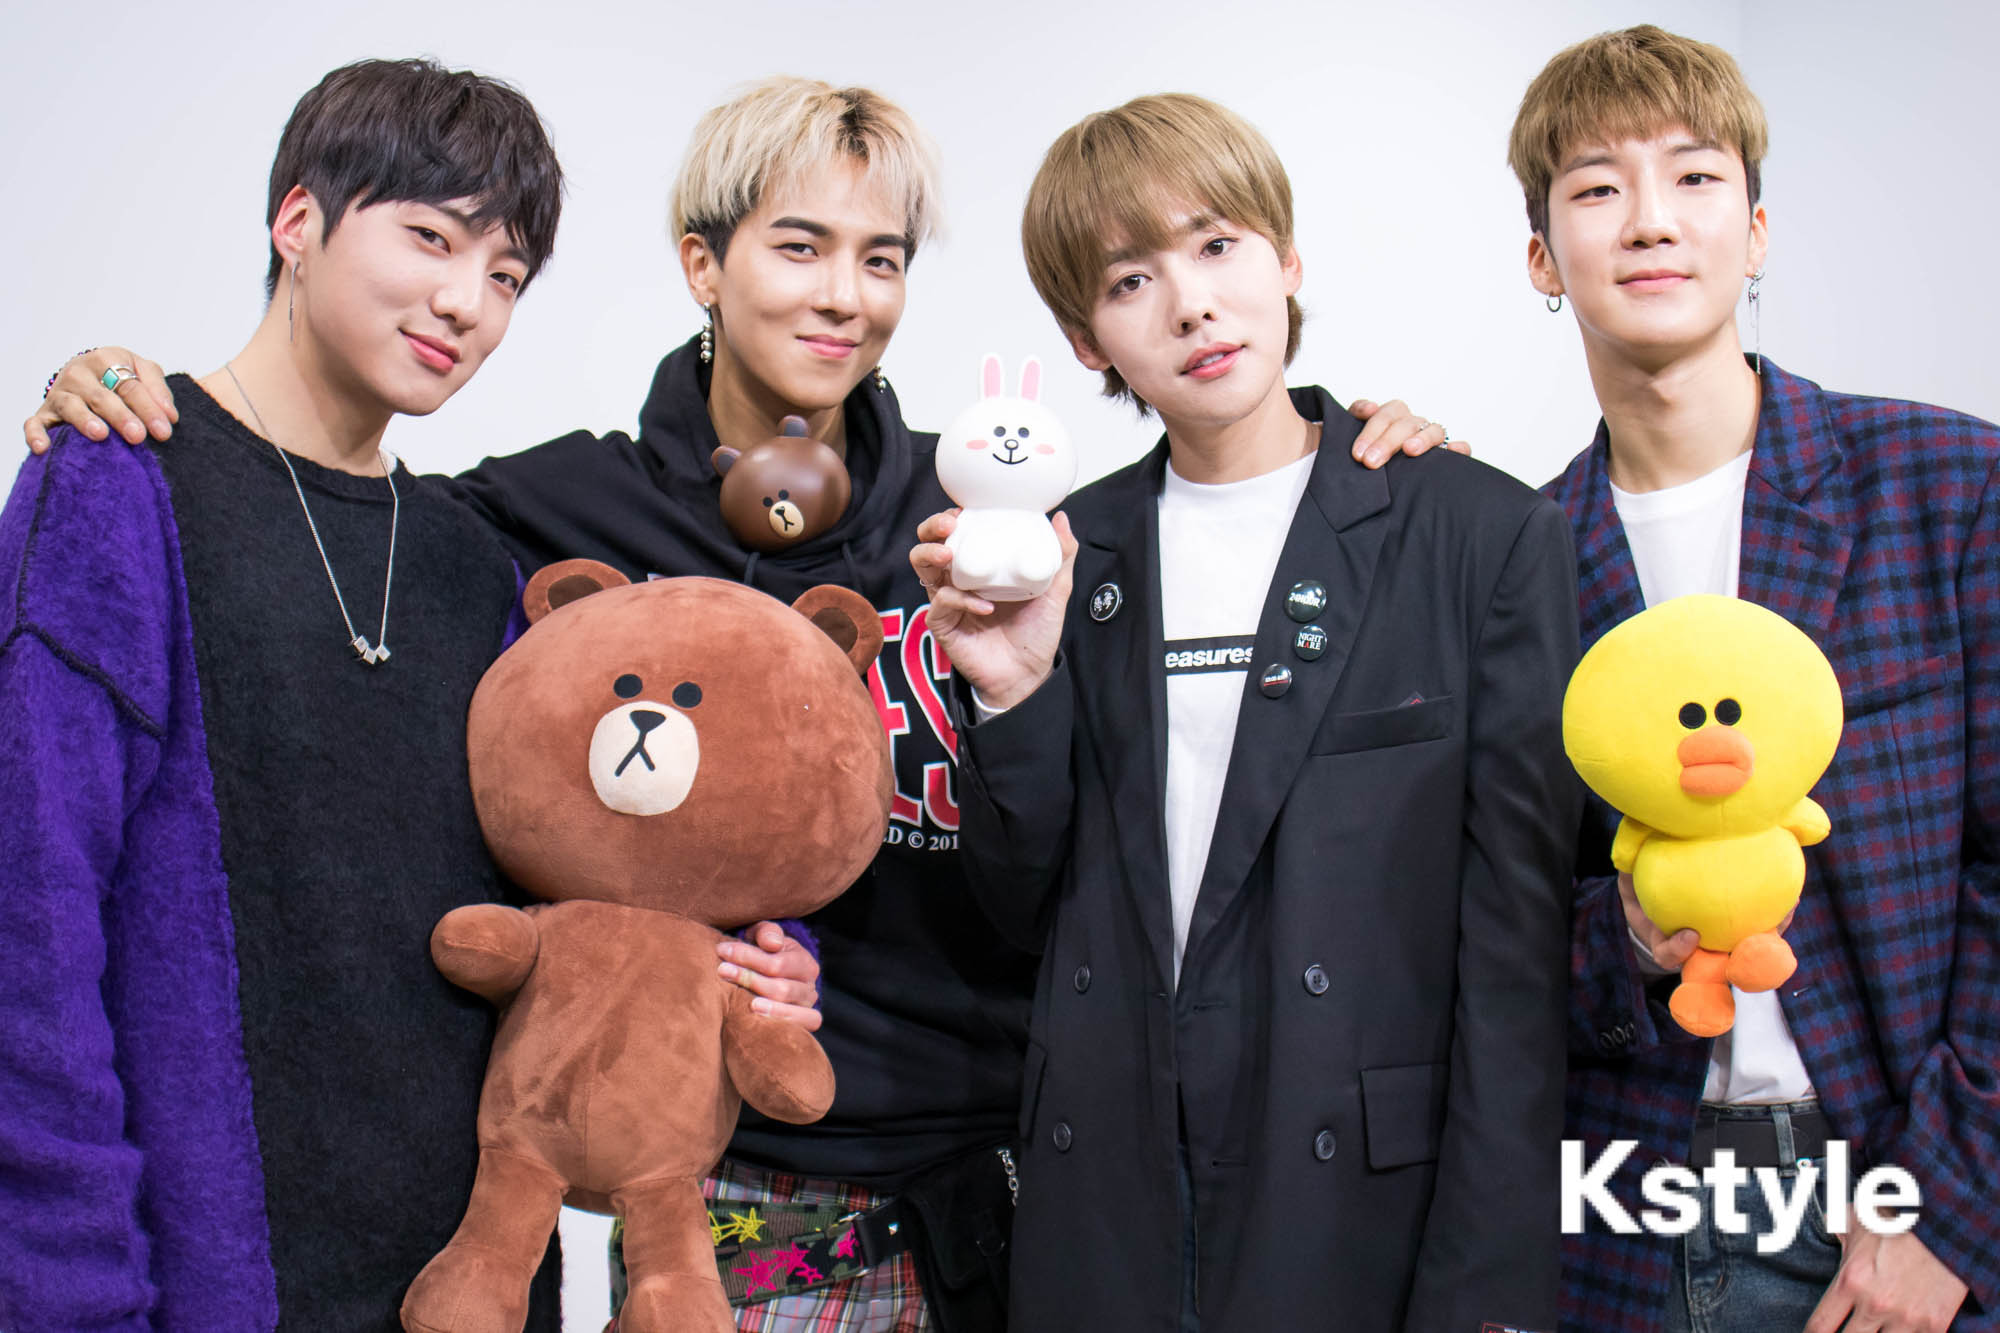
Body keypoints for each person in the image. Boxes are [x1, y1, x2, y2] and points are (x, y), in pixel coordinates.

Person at [20, 77, 1451, 1332]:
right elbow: (321, 502)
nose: (844, 295)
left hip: (1006, 1169)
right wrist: (116, 386)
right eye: (799, 246)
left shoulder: (984, 518)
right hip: (731, 1191)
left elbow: (1096, 847)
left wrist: (1358, 448)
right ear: (703, 265)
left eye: (882, 259)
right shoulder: (543, 511)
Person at [913, 92, 1581, 1331]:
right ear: (1085, 342)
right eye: (1130, 280)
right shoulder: (1070, 553)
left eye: (1216, 245)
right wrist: (1012, 693)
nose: (1190, 305)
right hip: (1103, 1196)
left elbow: (1516, 955)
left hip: (1361, 1202)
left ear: (1285, 260)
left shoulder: (1474, 533)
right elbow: (1017, 917)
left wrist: (1488, 1296)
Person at [0, 58, 566, 1331]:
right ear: (298, 222)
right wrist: (71, 1295)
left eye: (506, 275)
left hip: (466, 1288)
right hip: (207, 1283)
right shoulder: (116, 486)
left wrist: (764, 952)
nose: (465, 301)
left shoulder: (477, 566)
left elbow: (582, 881)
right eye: (431, 237)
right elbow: (29, 928)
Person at [1501, 24, 2000, 1333]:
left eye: (1694, 177)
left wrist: (1951, 1211)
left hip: (1902, 1198)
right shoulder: (1515, 561)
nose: (1649, 220)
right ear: (1543, 258)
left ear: (1757, 231)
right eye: (1596, 188)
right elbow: (1486, 929)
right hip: (1628, 1224)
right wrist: (1622, 937)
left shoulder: (1948, 487)